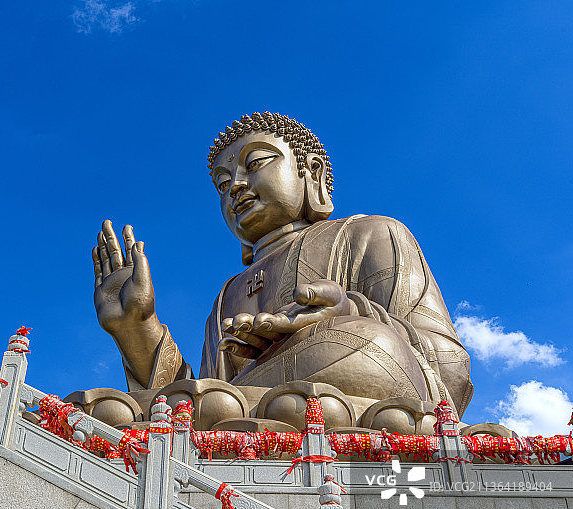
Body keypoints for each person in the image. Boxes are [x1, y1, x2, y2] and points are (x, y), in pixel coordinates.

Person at [91, 112, 473, 423]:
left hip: (353, 375)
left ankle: (263, 405)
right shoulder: (227, 296)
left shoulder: (371, 233)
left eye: (254, 163)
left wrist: (349, 311)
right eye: (222, 185)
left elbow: (451, 368)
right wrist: (138, 330)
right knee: (191, 404)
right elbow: (206, 389)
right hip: (251, 410)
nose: (236, 186)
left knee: (370, 344)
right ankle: (263, 407)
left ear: (312, 172)